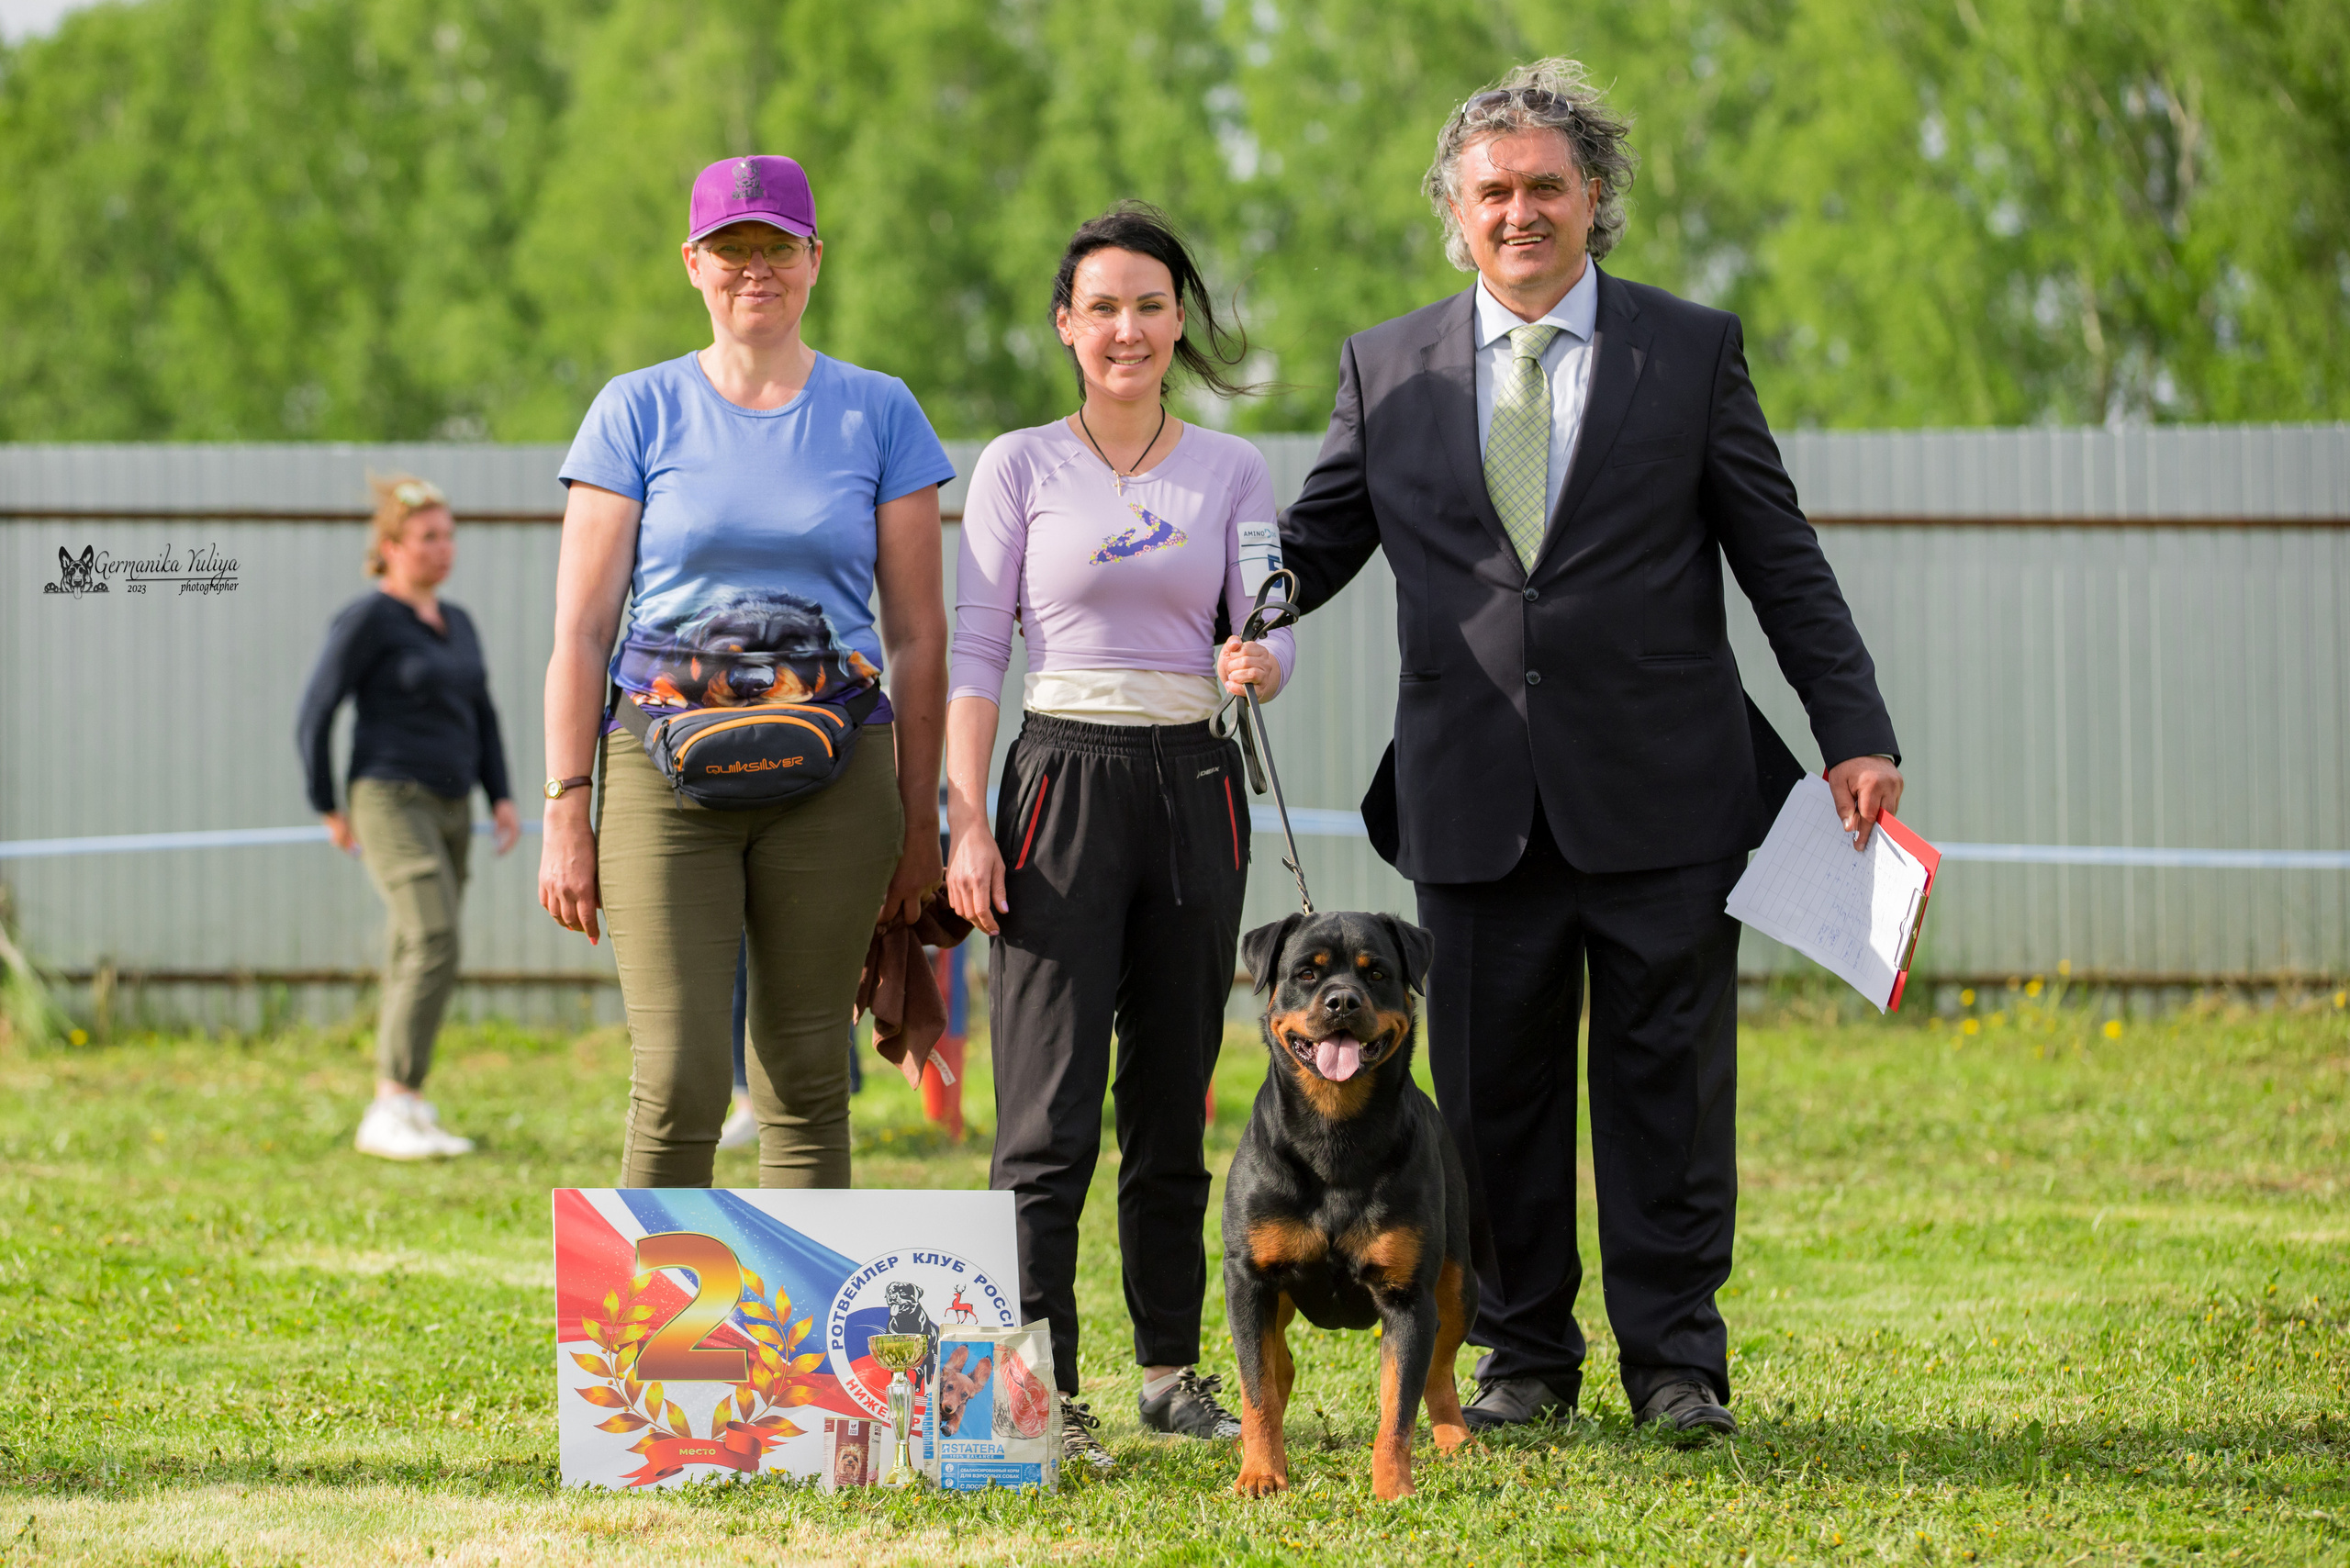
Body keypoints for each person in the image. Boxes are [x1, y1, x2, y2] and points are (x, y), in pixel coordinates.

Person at [1275, 60, 1904, 1439]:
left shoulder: (1690, 350)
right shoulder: (1386, 366)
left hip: (1668, 795)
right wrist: (1224, 603)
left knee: (1665, 1096)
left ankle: (1676, 1364)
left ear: (1594, 195)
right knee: (1489, 1103)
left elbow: (1780, 556)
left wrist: (1853, 731)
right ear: (1455, 210)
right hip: (1468, 802)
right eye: (1492, 191)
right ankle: (1523, 1361)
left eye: (1545, 186)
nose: (1520, 212)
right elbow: (1312, 543)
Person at [944, 203, 1293, 1473]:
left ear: (1177, 319)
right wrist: (967, 819)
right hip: (1058, 783)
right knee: (1045, 1117)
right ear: (1066, 325)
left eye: (1150, 305)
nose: (1127, 329)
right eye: (1102, 308)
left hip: (1197, 780)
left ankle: (1167, 1373)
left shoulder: (1233, 469)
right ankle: (1032, 1396)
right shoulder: (1018, 465)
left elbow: (1269, 620)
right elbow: (976, 646)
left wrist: (1263, 660)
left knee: (1169, 1102)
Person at [537, 154, 953, 1188]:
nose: (754, 269)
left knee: (805, 1080)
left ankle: (794, 1306)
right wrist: (565, 808)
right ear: (693, 263)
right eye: (732, 250)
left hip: (838, 776)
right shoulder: (634, 410)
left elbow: (918, 637)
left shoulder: (880, 411)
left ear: (816, 259)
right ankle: (660, 1306)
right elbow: (581, 631)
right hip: (660, 772)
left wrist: (920, 821)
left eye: (778, 247)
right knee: (678, 1078)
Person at [297, 475, 520, 1160]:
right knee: (433, 935)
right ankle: (390, 1103)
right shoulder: (369, 620)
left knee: (414, 946)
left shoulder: (459, 623)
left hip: (453, 803)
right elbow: (316, 712)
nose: (442, 548)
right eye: (427, 537)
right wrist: (326, 803)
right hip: (389, 797)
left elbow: (482, 714)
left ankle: (407, 1101)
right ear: (391, 546)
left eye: (448, 536)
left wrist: (501, 794)